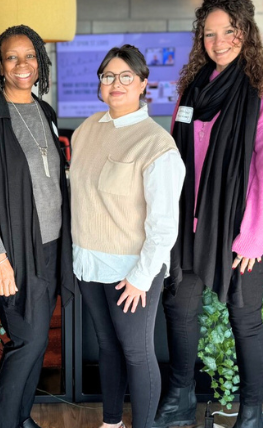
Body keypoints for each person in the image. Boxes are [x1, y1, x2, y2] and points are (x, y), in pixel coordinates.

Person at [156, 0, 263, 428]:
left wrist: (254, 236)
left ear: (246, 32)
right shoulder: (193, 89)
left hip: (241, 231)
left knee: (244, 317)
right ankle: (179, 399)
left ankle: (252, 413)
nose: (218, 42)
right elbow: (174, 156)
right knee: (179, 308)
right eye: (209, 34)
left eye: (228, 32)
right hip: (189, 226)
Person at [0, 25, 76, 428]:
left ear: (40, 62)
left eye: (29, 55)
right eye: (12, 57)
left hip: (51, 246)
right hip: (12, 251)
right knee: (27, 340)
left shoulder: (44, 112)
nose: (22, 64)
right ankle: (5, 422)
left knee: (39, 339)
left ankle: (22, 417)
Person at [71, 45, 185, 428]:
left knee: (136, 351)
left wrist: (141, 276)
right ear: (100, 85)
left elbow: (164, 224)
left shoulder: (156, 144)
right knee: (107, 347)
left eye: (125, 77)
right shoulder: (87, 129)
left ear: (143, 84)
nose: (115, 84)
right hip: (89, 262)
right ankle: (111, 423)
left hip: (132, 270)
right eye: (108, 76)